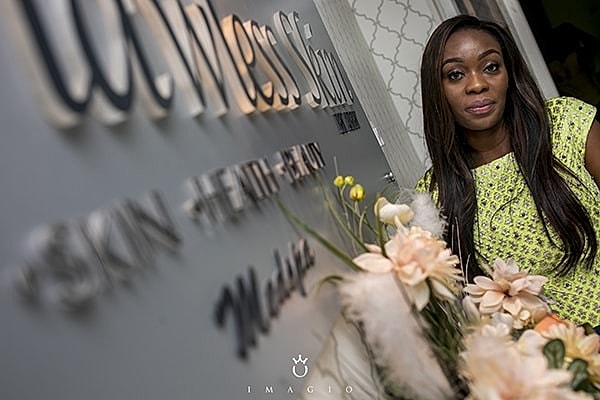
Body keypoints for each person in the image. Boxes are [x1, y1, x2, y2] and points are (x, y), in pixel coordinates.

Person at [415, 15, 600, 326]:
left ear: (509, 74)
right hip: (549, 362)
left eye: (491, 67)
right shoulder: (434, 193)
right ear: (438, 89)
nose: (477, 84)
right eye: (456, 74)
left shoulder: (567, 125)